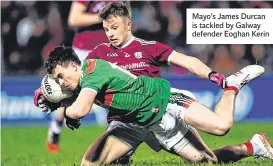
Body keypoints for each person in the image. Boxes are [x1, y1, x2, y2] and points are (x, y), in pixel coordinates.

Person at [33, 2, 273, 165]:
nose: (110, 34)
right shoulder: (98, 54)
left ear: (129, 25)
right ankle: (122, 155)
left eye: (114, 28)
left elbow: (187, 61)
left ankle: (235, 94)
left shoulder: (148, 48)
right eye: (106, 29)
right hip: (126, 121)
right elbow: (79, 85)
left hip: (162, 107)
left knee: (212, 149)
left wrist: (213, 75)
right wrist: (51, 95)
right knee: (98, 161)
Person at [43, 45, 271, 166]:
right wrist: (48, 96)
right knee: (89, 164)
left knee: (220, 129)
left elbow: (81, 110)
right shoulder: (81, 79)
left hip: (164, 104)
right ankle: (254, 146)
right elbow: (74, 100)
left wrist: (63, 108)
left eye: (61, 76)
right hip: (141, 122)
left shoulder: (92, 72)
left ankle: (232, 86)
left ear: (74, 66)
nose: (62, 83)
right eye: (58, 81)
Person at [45, 0, 110, 152]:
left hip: (109, 49)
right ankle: (57, 124)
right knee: (72, 94)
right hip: (84, 50)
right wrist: (103, 17)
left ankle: (114, 140)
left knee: (112, 91)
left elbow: (125, 14)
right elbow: (74, 19)